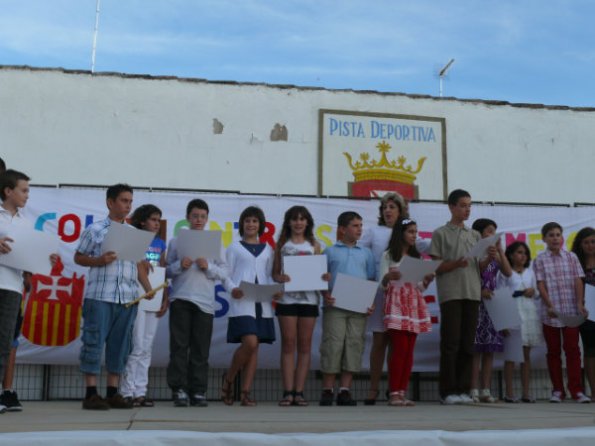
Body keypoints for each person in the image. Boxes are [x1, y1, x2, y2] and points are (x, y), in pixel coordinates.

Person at [74, 183, 153, 410]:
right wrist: (99, 260)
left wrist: (147, 288)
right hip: (100, 296)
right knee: (93, 342)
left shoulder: (134, 234)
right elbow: (79, 257)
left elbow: (137, 264)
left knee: (121, 345)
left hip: (127, 298)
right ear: (110, 202)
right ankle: (90, 393)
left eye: (130, 201)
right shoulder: (96, 229)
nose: (128, 205)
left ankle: (112, 392)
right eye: (123, 200)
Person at [429, 189, 495, 405]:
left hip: (472, 293)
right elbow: (435, 266)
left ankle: (465, 390)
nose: (467, 209)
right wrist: (456, 263)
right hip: (451, 293)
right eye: (463, 205)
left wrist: (489, 258)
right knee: (451, 343)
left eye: (469, 205)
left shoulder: (474, 235)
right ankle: (447, 391)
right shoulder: (440, 233)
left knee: (468, 344)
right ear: (451, 207)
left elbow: (479, 267)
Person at [166, 198, 228, 407]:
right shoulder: (176, 241)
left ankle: (198, 391)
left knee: (201, 349)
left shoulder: (216, 242)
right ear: (187, 218)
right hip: (181, 298)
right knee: (179, 347)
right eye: (195, 216)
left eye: (202, 216)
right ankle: (179, 389)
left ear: (207, 218)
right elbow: (165, 270)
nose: (199, 220)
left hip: (205, 302)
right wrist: (178, 266)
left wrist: (208, 267)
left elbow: (224, 272)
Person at [221, 206, 277, 407]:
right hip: (242, 300)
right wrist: (232, 288)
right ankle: (229, 379)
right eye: (247, 221)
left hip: (261, 302)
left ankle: (245, 392)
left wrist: (274, 289)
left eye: (254, 221)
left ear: (261, 225)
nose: (251, 224)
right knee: (250, 343)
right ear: (242, 224)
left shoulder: (268, 249)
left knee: (255, 349)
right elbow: (225, 273)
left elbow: (269, 274)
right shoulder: (234, 247)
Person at [319, 211, 375, 406]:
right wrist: (324, 294)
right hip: (335, 306)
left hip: (358, 307)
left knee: (354, 345)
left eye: (361, 225)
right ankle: (327, 390)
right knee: (333, 344)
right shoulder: (330, 251)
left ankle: (345, 390)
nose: (359, 229)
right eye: (355, 225)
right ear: (342, 229)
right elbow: (320, 279)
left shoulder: (366, 253)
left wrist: (370, 301)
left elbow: (370, 279)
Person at [272, 206, 324, 407]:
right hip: (287, 300)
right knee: (288, 344)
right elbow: (275, 273)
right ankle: (288, 392)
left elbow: (320, 273)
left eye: (302, 219)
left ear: (308, 222)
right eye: (294, 219)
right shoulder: (282, 245)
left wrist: (324, 277)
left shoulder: (315, 245)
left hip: (309, 300)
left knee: (304, 346)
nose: (299, 222)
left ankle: (299, 392)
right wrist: (280, 277)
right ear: (288, 222)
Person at [379, 218, 434, 406]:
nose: (414, 236)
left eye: (415, 232)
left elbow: (419, 286)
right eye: (410, 231)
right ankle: (394, 392)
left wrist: (427, 280)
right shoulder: (388, 255)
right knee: (399, 349)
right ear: (400, 233)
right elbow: (382, 284)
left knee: (409, 350)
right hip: (396, 304)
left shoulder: (416, 257)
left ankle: (402, 392)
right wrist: (387, 276)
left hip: (413, 304)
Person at [533, 222, 589, 403]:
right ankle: (557, 390)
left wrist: (580, 303)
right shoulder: (540, 259)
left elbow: (578, 280)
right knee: (554, 351)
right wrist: (550, 305)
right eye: (551, 235)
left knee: (573, 350)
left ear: (562, 237)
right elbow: (540, 283)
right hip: (551, 313)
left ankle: (577, 390)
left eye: (558, 234)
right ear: (544, 239)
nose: (555, 238)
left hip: (571, 311)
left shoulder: (571, 257)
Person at [120, 204, 168, 407]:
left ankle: (141, 391)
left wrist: (165, 298)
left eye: (158, 220)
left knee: (147, 346)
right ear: (142, 221)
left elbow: (164, 271)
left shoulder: (159, 243)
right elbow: (127, 264)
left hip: (155, 298)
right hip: (137, 297)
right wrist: (140, 262)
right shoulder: (133, 240)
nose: (157, 223)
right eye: (153, 219)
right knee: (136, 345)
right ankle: (126, 391)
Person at [359, 192, 405, 404]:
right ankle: (373, 389)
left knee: (397, 342)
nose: (387, 210)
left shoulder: (407, 232)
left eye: (392, 207)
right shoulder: (374, 232)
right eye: (385, 207)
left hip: (402, 294)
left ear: (401, 211)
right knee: (379, 341)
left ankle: (394, 389)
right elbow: (360, 255)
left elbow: (423, 248)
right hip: (379, 292)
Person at [469, 219, 511, 403]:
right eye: (489, 231)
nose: (493, 234)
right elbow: (475, 272)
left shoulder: (496, 252)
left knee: (489, 349)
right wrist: (487, 258)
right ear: (479, 234)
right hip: (476, 303)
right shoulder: (475, 250)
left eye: (495, 231)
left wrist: (500, 249)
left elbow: (508, 272)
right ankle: (472, 389)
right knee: (475, 349)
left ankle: (485, 389)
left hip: (492, 305)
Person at [499, 241, 544, 403]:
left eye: (525, 253)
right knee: (511, 355)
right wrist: (503, 321)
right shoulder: (505, 272)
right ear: (510, 255)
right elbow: (501, 295)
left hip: (528, 313)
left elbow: (537, 294)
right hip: (512, 311)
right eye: (519, 252)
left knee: (526, 356)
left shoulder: (530, 273)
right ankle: (509, 392)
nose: (522, 256)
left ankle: (526, 392)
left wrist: (534, 291)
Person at [571, 226, 595, 401]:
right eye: (586, 242)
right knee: (590, 350)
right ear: (580, 244)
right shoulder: (575, 263)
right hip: (586, 311)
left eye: (593, 242)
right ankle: (594, 391)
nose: (590, 245)